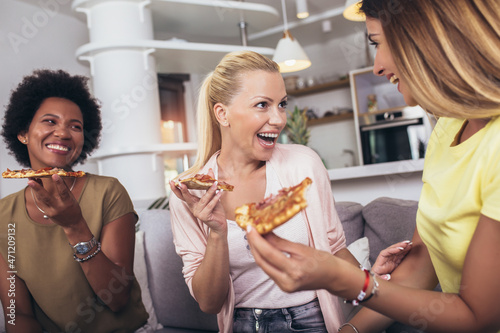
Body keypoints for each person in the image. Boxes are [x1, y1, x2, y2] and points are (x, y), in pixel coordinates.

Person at [245, 0, 500, 332]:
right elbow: (422, 265)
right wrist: (350, 330)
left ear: (426, 38)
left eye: (377, 42)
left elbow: (477, 316)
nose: (377, 66)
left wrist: (349, 280)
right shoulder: (448, 128)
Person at [168, 50, 409, 333]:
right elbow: (209, 303)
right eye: (262, 105)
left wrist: (369, 282)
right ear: (222, 113)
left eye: (281, 104)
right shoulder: (189, 192)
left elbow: (333, 250)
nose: (279, 119)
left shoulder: (304, 164)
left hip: (313, 319)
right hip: (245, 324)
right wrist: (218, 233)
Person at [0, 69, 149, 332]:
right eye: (49, 121)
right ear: (23, 132)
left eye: (75, 126)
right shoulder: (3, 215)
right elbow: (18, 313)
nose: (63, 133)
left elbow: (117, 298)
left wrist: (75, 226)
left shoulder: (109, 192)